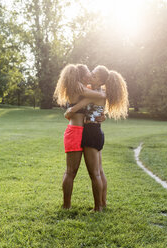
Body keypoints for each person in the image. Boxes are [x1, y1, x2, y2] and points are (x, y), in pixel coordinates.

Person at [65, 65, 129, 211]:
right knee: (99, 171)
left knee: (94, 173)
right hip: (96, 131)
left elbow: (78, 106)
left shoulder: (96, 93)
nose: (90, 77)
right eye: (91, 74)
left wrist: (69, 112)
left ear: (100, 82)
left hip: (91, 132)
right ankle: (103, 203)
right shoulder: (97, 91)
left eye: (94, 76)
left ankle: (97, 207)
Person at [53, 64, 106, 209]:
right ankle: (66, 205)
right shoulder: (77, 87)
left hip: (86, 131)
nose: (90, 74)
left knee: (95, 172)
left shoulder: (83, 88)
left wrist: (101, 115)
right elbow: (100, 95)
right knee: (71, 171)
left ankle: (100, 204)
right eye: (89, 72)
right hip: (75, 131)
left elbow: (94, 103)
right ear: (82, 76)